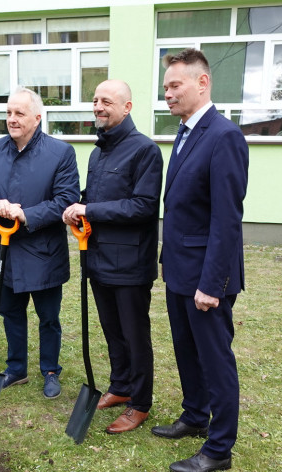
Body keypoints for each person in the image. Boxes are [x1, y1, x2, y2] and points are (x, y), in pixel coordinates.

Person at [150, 48, 248, 472]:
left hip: (207, 278)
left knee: (215, 359)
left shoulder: (223, 135)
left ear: (202, 83)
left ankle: (220, 447)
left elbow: (227, 219)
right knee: (186, 350)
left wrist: (212, 283)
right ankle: (194, 416)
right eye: (166, 86)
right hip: (180, 271)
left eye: (175, 85)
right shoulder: (186, 132)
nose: (167, 94)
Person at [62, 80, 163, 434]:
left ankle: (141, 403)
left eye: (106, 101)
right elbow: (99, 195)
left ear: (127, 107)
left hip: (131, 264)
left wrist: (89, 206)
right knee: (112, 330)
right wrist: (78, 208)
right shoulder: (98, 152)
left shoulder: (145, 151)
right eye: (94, 101)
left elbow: (143, 206)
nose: (98, 107)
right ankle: (121, 386)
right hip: (99, 258)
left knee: (135, 334)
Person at [0, 87, 80, 399]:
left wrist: (24, 214)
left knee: (49, 318)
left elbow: (66, 200)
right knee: (11, 313)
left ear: (37, 117)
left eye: (19, 113)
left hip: (44, 252)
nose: (12, 119)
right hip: (6, 251)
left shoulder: (60, 153)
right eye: (8, 112)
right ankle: (16, 369)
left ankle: (50, 370)